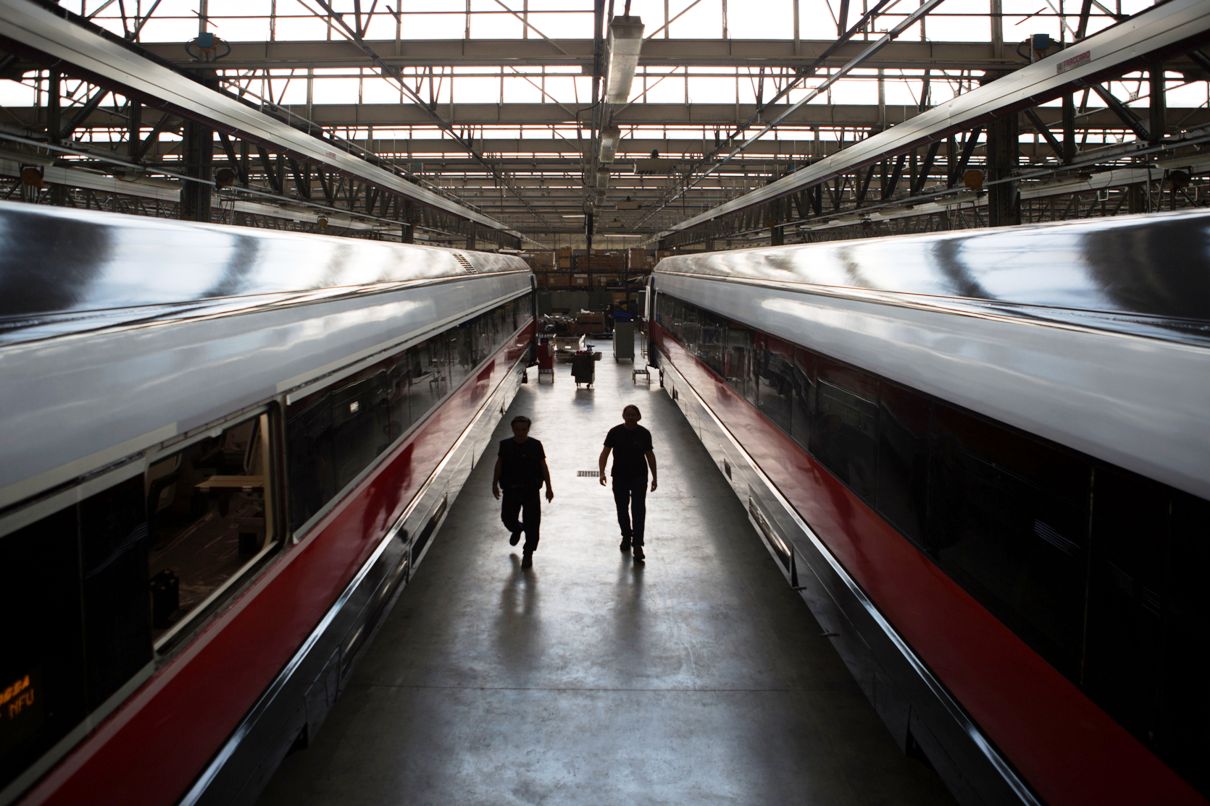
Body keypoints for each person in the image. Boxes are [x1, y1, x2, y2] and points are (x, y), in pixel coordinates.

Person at [492, 415, 554, 569]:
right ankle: (517, 528)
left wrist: (549, 487)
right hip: (511, 489)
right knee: (507, 518)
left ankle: (528, 553)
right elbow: (499, 464)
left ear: (528, 429)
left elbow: (543, 466)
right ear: (513, 429)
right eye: (517, 429)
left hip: (531, 490)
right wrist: (494, 483)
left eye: (524, 429)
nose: (520, 432)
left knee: (533, 524)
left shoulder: (535, 445)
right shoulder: (505, 445)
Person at [598, 405, 657, 562]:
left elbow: (650, 455)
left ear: (639, 417)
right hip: (620, 476)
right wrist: (602, 472)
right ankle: (626, 535)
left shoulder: (644, 434)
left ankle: (637, 544)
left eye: (633, 415)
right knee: (622, 509)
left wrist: (654, 477)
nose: (630, 417)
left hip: (639, 476)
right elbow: (605, 453)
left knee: (638, 510)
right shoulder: (615, 432)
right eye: (628, 414)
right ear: (623, 416)